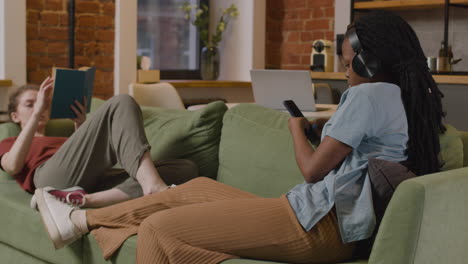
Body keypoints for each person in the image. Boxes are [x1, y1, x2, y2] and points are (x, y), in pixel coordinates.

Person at [35, 10, 446, 263]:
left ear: (369, 61)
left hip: (316, 225)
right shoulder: (401, 97)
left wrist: (294, 129)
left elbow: (312, 170)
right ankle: (79, 220)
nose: (343, 70)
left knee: (160, 230)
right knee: (192, 187)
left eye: (346, 62)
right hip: (317, 218)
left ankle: (81, 220)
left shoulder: (368, 94)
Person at [0, 77, 198, 209]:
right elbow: (12, 166)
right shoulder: (10, 141)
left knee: (185, 168)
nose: (40, 107)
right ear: (15, 116)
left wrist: (80, 124)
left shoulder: (61, 139)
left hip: (89, 182)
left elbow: (83, 160)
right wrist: (35, 114)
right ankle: (152, 187)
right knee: (122, 101)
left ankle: (86, 201)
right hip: (47, 179)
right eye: (30, 104)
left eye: (43, 102)